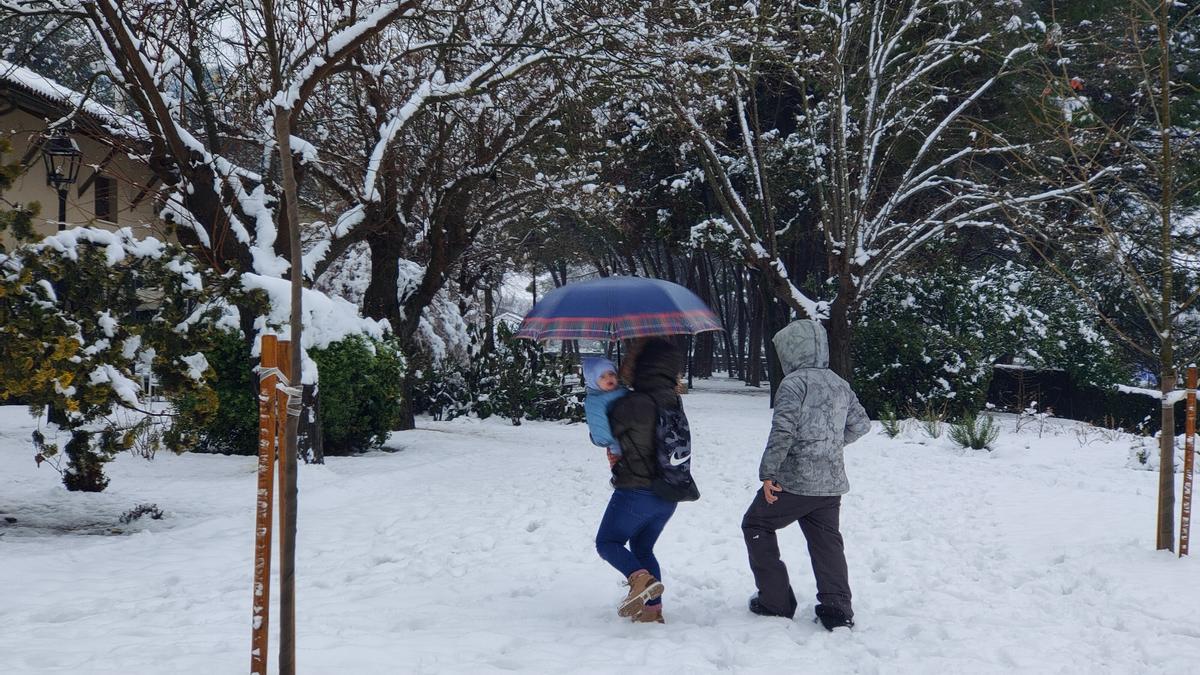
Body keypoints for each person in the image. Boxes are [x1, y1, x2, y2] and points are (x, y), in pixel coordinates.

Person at [742, 319, 870, 631]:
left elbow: (783, 430)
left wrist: (769, 472)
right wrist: (830, 444)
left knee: (756, 523)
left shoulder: (794, 384)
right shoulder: (839, 383)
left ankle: (775, 601)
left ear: (790, 350)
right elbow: (861, 425)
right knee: (826, 542)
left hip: (795, 481)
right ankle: (837, 608)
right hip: (830, 484)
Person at [595, 338, 686, 624]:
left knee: (607, 542)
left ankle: (640, 580)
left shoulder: (632, 403)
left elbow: (602, 436)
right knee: (642, 548)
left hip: (636, 492)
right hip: (669, 494)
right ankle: (652, 611)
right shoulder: (674, 398)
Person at [582, 357, 628, 467]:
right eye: (602, 376)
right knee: (623, 476)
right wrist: (602, 439)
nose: (609, 378)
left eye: (611, 374)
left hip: (633, 440)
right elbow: (597, 421)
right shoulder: (595, 401)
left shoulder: (623, 391)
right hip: (616, 449)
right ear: (593, 380)